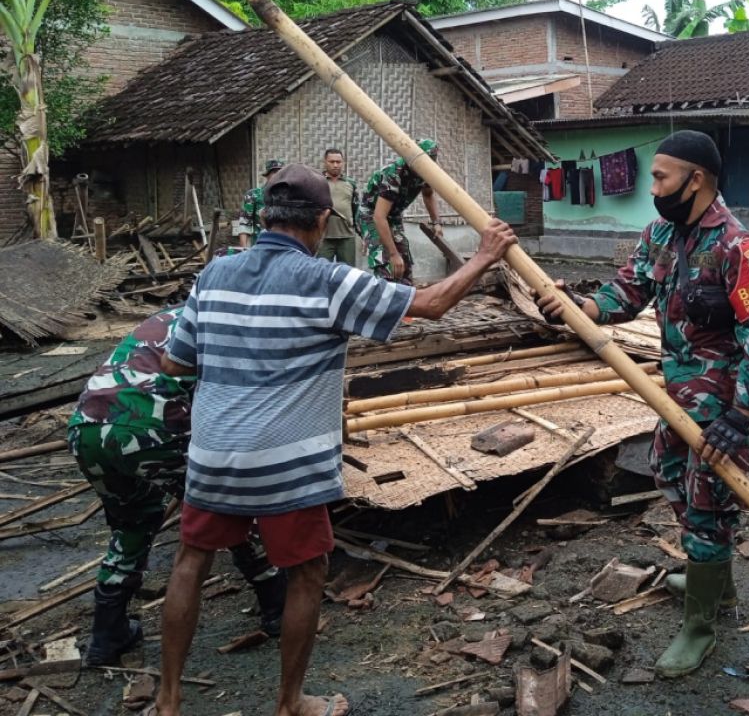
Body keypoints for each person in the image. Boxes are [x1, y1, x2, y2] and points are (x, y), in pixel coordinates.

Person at [154, 163, 516, 716]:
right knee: (306, 572)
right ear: (323, 220)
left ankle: (168, 700)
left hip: (213, 454)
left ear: (264, 216)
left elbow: (175, 362)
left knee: (191, 561)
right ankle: (290, 702)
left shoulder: (215, 274)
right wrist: (485, 255)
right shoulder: (327, 280)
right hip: (286, 462)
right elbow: (430, 305)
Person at [537, 131, 749, 679]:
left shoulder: (740, 249)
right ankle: (713, 580)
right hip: (675, 396)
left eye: (661, 176)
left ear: (696, 179)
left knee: (707, 503)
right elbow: (625, 294)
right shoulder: (661, 234)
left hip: (720, 405)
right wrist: (576, 306)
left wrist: (742, 416)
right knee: (669, 474)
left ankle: (701, 626)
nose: (653, 186)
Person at [65, 308, 285, 668]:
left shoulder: (177, 314)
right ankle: (277, 606)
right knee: (230, 506)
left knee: (133, 520)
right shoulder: (229, 323)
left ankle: (107, 636)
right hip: (147, 425)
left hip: (87, 427)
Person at [357, 138, 444, 284]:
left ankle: (406, 298)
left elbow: (428, 194)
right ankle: (385, 299)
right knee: (385, 258)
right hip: (371, 215)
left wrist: (436, 222)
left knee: (403, 257)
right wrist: (392, 254)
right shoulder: (393, 174)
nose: (427, 166)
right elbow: (379, 217)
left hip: (393, 215)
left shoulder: (427, 172)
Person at [318, 148, 358, 264]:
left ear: (343, 163)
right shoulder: (317, 181)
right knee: (322, 273)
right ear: (325, 162)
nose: (335, 165)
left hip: (347, 237)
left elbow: (356, 209)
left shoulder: (350, 183)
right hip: (323, 237)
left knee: (348, 274)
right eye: (332, 162)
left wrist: (363, 235)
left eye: (338, 162)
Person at [234, 159, 284, 249]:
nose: (278, 176)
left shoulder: (287, 197)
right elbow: (244, 224)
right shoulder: (253, 195)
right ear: (267, 175)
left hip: (282, 247)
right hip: (260, 246)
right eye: (274, 172)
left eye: (281, 173)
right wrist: (244, 250)